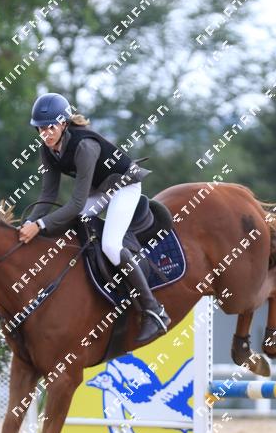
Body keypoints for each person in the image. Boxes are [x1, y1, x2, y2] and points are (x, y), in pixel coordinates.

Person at [19, 92, 170, 344]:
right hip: (100, 190)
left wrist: (40, 224)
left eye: (51, 127)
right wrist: (29, 223)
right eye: (41, 129)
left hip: (123, 186)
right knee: (67, 225)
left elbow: (77, 203)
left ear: (63, 123)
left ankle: (154, 310)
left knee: (111, 245)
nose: (46, 133)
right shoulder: (48, 149)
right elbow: (47, 194)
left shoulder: (84, 147)